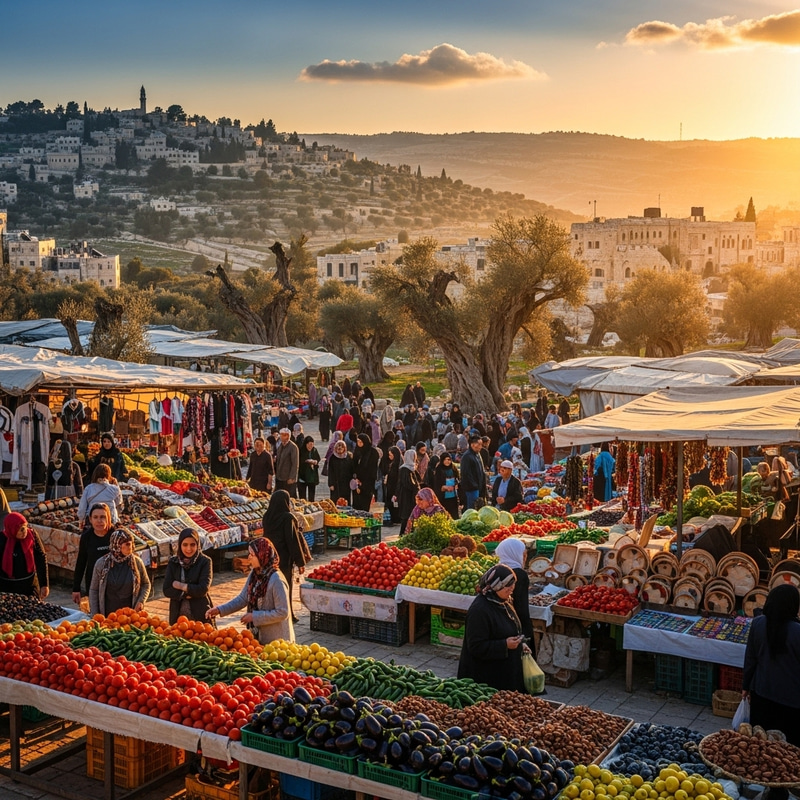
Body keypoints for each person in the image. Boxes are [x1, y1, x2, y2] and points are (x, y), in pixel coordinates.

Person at [742, 584, 800, 746]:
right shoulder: (797, 631)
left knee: (760, 743)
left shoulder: (758, 624)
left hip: (762, 693)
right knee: (788, 750)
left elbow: (750, 659)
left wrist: (745, 686)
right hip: (791, 700)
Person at [207, 537, 293, 644]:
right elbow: (243, 598)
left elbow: (283, 612)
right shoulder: (255, 574)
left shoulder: (276, 580)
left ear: (262, 555)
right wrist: (219, 610)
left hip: (278, 640)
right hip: (258, 637)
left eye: (252, 555)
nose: (249, 558)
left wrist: (255, 616)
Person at [457, 564, 527, 692]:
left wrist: (520, 643)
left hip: (504, 673)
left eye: (513, 583)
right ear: (496, 585)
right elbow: (475, 646)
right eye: (508, 584)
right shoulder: (480, 610)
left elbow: (510, 627)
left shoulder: (504, 601)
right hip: (485, 681)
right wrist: (504, 645)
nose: (512, 588)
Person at [261, 489, 311, 623]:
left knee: (271, 586)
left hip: (269, 558)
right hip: (284, 559)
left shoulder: (267, 516)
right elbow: (292, 541)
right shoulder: (288, 518)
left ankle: (272, 612)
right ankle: (288, 614)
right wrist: (300, 562)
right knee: (285, 587)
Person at [89, 529, 150, 616]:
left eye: (132, 543)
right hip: (108, 613)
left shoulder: (136, 563)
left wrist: (141, 601)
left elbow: (146, 584)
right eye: (128, 544)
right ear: (117, 545)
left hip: (130, 614)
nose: (132, 547)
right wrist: (95, 614)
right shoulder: (102, 564)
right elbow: (94, 590)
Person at [163, 528, 213, 624]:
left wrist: (181, 586)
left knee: (203, 636)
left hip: (199, 612)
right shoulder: (174, 562)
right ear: (180, 545)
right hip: (177, 613)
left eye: (192, 545)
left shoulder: (205, 561)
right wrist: (188, 593)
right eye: (185, 545)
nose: (188, 549)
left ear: (198, 545)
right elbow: (167, 589)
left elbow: (203, 589)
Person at [0, 512, 49, 598]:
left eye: (25, 527)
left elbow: (40, 558)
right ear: (12, 529)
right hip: (7, 587)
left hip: (29, 586)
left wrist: (44, 584)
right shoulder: (2, 539)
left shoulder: (32, 535)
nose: (25, 532)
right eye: (21, 529)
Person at [495, 538, 534, 645]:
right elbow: (521, 608)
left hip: (498, 625)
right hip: (515, 626)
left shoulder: (496, 570)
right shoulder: (519, 575)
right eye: (523, 555)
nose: (524, 558)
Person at [352, 433, 379, 511]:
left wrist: (363, 483)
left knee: (366, 503)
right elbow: (354, 465)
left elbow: (373, 469)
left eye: (361, 442)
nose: (359, 444)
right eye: (358, 442)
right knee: (357, 504)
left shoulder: (373, 453)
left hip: (368, 482)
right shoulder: (357, 451)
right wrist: (355, 478)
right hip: (357, 481)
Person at [396, 449, 421, 535]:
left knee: (411, 514)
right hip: (406, 496)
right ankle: (403, 533)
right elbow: (409, 484)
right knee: (406, 515)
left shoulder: (411, 468)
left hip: (410, 496)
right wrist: (416, 487)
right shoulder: (405, 469)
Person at [461, 435, 487, 510]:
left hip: (479, 488)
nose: (480, 446)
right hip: (471, 490)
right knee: (472, 510)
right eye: (478, 444)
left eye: (481, 444)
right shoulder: (467, 456)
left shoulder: (477, 455)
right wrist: (474, 486)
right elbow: (466, 474)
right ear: (472, 444)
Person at [433, 452, 460, 518]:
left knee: (454, 516)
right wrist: (445, 487)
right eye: (445, 460)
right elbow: (437, 484)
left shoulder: (453, 468)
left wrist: (456, 485)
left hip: (453, 497)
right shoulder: (439, 469)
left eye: (449, 459)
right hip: (443, 498)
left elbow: (458, 479)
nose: (447, 461)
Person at [274, 428, 299, 497]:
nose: (281, 437)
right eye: (281, 435)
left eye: (284, 435)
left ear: (288, 436)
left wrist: (292, 477)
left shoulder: (293, 447)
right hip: (280, 477)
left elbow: (295, 463)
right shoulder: (280, 446)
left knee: (289, 497)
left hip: (288, 478)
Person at [328, 439, 353, 505]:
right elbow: (330, 471)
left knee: (346, 501)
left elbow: (352, 469)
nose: (340, 449)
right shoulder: (333, 457)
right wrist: (331, 484)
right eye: (338, 448)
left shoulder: (348, 457)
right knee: (335, 501)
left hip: (346, 483)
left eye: (342, 447)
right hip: (336, 484)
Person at [383, 446, 402, 526]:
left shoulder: (398, 465)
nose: (389, 457)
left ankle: (395, 519)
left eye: (391, 455)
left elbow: (397, 479)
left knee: (394, 504)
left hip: (394, 488)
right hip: (390, 487)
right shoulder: (392, 464)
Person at [298, 436, 321, 501]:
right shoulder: (301, 451)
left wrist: (315, 462)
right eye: (309, 444)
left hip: (312, 476)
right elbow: (299, 461)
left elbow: (318, 458)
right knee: (302, 497)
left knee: (311, 496)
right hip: (302, 476)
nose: (310, 446)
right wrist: (306, 461)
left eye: (312, 444)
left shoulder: (314, 450)